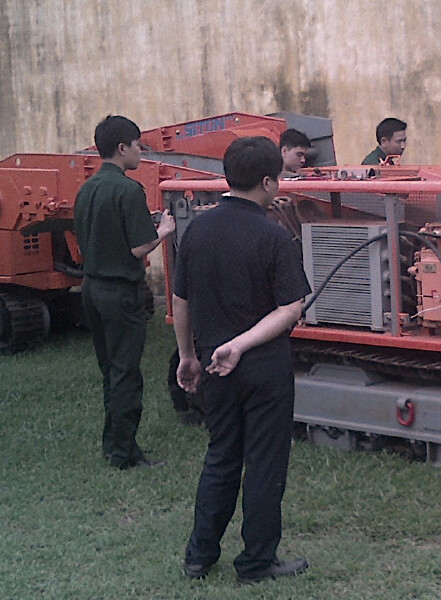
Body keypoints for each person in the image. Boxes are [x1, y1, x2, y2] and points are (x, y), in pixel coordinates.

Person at [172, 136, 311, 584]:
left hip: (213, 364)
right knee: (265, 464)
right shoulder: (274, 236)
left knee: (221, 456)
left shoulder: (196, 231)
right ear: (268, 182)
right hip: (263, 367)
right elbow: (291, 308)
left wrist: (188, 355)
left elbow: (180, 301)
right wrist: (243, 345)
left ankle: (199, 557)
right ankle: (256, 562)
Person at [73, 115, 175, 470]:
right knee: (126, 372)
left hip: (91, 288)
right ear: (122, 148)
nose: (140, 152)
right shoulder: (129, 189)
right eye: (137, 145)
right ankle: (125, 454)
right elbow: (138, 247)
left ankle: (112, 443)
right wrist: (163, 230)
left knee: (110, 370)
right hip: (120, 292)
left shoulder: (86, 189)